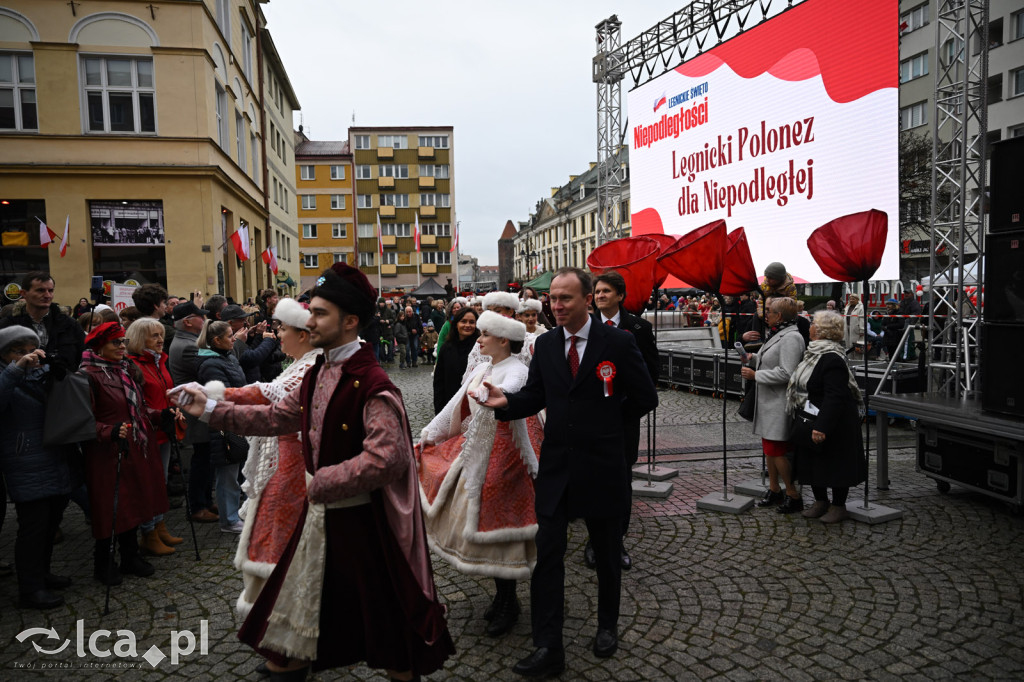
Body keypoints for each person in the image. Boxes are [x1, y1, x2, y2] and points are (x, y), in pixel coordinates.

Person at [171, 262, 454, 681]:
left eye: (320, 312)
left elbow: (387, 458)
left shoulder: (372, 383)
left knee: (395, 644)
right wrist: (209, 409)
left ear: (351, 320)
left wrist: (320, 483)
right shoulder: (319, 370)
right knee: (287, 642)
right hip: (321, 523)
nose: (310, 318)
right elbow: (274, 418)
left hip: (365, 528)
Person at [478, 267, 659, 676]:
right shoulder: (544, 347)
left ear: (588, 299)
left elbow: (646, 396)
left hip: (602, 467)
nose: (555, 306)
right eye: (552, 299)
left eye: (565, 299)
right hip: (557, 468)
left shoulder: (618, 341)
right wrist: (506, 402)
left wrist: (609, 424)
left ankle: (607, 626)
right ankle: (548, 646)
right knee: (549, 557)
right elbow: (538, 394)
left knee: (607, 553)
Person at [417, 311, 544, 638]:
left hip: (507, 457)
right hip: (479, 451)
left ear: (503, 340)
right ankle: (503, 598)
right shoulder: (485, 366)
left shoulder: (516, 369)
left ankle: (509, 600)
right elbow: (455, 405)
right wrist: (431, 434)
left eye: (485, 334)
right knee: (485, 521)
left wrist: (489, 396)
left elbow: (512, 390)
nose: (479, 339)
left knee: (501, 526)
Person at [203, 298, 321, 622]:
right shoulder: (302, 363)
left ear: (304, 334)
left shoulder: (312, 366)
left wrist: (216, 398)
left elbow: (268, 398)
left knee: (284, 546)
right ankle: (282, 626)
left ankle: (289, 629)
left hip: (297, 470)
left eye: (283, 329)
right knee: (277, 543)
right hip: (286, 466)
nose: (277, 334)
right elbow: (269, 390)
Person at [80, 322, 169, 585]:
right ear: (99, 346)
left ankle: (130, 556)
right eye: (115, 343)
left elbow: (138, 408)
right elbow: (82, 420)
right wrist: (107, 431)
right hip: (107, 450)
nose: (122, 347)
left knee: (133, 502)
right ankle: (103, 562)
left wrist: (159, 415)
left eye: (123, 342)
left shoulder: (126, 369)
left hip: (134, 444)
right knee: (111, 505)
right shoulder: (87, 375)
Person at [584, 270, 659, 572]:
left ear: (619, 295)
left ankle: (616, 540)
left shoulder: (638, 328)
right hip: (591, 418)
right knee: (591, 479)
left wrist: (626, 412)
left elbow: (650, 375)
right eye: (597, 292)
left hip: (624, 418)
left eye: (605, 292)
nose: (600, 296)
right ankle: (593, 540)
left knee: (621, 480)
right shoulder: (584, 327)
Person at [0, 327, 73, 609]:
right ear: (5, 355)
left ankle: (43, 574)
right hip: (24, 461)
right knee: (32, 527)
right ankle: (30, 589)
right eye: (19, 351)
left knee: (51, 520)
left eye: (32, 349)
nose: (28, 355)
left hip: (53, 454)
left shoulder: (37, 373)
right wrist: (16, 369)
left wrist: (58, 370)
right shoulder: (9, 375)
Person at [787, 310, 867, 523]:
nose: (809, 327)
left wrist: (822, 426)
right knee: (813, 462)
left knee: (836, 464)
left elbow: (836, 396)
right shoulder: (813, 353)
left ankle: (838, 506)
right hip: (812, 415)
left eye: (813, 324)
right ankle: (821, 502)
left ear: (821, 331)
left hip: (833, 421)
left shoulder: (831, 358)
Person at [740, 297, 807, 513]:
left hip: (778, 402)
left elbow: (787, 372)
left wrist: (756, 374)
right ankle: (775, 489)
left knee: (776, 450)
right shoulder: (779, 333)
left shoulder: (791, 337)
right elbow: (769, 359)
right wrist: (751, 358)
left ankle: (792, 494)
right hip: (769, 402)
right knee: (769, 449)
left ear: (779, 315)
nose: (765, 314)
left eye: (768, 311)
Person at [126, 318, 184, 555]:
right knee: (148, 483)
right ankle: (148, 532)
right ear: (140, 339)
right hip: (146, 432)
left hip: (164, 428)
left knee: (160, 481)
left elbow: (165, 391)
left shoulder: (159, 361)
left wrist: (175, 406)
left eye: (161, 335)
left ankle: (159, 526)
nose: (161, 340)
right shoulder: (133, 364)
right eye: (154, 336)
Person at [168, 301, 218, 524]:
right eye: (200, 316)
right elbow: (215, 363)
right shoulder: (188, 345)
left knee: (206, 457)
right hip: (194, 410)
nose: (204, 319)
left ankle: (205, 501)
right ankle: (197, 506)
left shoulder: (188, 341)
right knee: (201, 459)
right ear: (187, 321)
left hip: (197, 406)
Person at [195, 320, 248, 534]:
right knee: (227, 473)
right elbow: (222, 396)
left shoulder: (229, 357)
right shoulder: (210, 364)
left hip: (237, 419)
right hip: (224, 424)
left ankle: (233, 515)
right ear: (216, 340)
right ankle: (229, 520)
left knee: (234, 471)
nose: (234, 339)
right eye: (229, 336)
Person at [0, 271, 85, 369]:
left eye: (50, 290)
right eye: (40, 290)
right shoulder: (7, 326)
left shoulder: (70, 324)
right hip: (19, 382)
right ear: (23, 293)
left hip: (61, 382)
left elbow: (81, 357)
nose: (47, 295)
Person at [433, 307, 479, 415]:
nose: (467, 325)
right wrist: (439, 409)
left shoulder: (480, 348)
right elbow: (439, 381)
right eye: (463, 321)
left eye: (472, 322)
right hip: (450, 403)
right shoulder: (446, 347)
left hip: (473, 406)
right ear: (456, 324)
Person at [132, 282, 174, 352]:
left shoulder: (133, 327)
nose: (165, 306)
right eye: (163, 302)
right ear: (156, 306)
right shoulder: (164, 329)